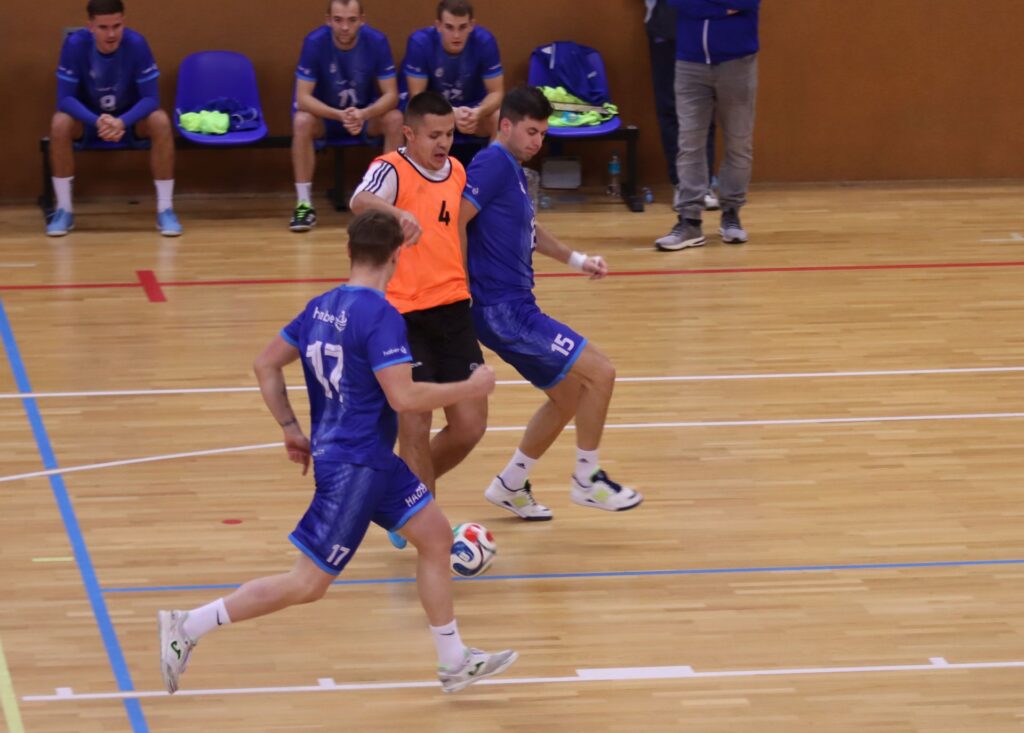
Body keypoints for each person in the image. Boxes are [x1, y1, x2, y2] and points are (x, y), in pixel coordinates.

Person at [158, 210, 517, 695]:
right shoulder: (382, 317)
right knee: (308, 583)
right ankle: (189, 625)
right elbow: (404, 398)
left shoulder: (319, 307)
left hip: (372, 460)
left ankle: (454, 660)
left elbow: (265, 364)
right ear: (397, 256)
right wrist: (470, 387)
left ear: (349, 251)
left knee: (435, 539)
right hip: (355, 467)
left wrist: (290, 428)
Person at [459, 87, 644, 521]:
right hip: (503, 311)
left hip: (515, 306)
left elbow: (531, 232)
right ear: (505, 125)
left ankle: (510, 484)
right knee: (600, 373)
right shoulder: (491, 163)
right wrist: (461, 287)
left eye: (542, 134)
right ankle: (587, 478)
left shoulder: (513, 171)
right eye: (531, 132)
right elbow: (454, 222)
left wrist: (578, 260)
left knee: (568, 396)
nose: (537, 142)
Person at [349, 92, 486, 549]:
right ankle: (427, 530)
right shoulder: (391, 168)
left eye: (449, 134)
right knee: (415, 424)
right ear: (409, 134)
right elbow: (359, 199)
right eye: (434, 135)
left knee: (470, 425)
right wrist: (397, 213)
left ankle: (401, 496)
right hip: (403, 314)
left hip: (453, 307)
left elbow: (454, 230)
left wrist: (465, 282)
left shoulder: (457, 170)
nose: (443, 143)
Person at [48, 0, 180, 237]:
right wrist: (98, 121)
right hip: (89, 120)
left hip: (129, 120)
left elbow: (151, 99)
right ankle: (64, 210)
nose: (111, 34)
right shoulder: (75, 44)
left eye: (116, 26)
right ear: (90, 26)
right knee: (60, 123)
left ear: (123, 22)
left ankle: (165, 209)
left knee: (160, 120)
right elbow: (65, 100)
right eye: (103, 27)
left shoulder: (137, 43)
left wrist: (122, 122)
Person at [290, 0, 404, 232]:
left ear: (362, 20)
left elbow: (391, 95)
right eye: (338, 20)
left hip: (364, 116)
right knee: (301, 121)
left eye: (352, 20)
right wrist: (338, 115)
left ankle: (386, 203)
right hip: (327, 117)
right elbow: (303, 98)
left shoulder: (377, 42)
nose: (344, 27)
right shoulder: (314, 42)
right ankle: (304, 204)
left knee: (394, 119)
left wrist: (364, 113)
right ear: (328, 20)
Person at [655, 0, 760, 252]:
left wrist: (704, 7)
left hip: (737, 62)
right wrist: (722, 10)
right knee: (689, 144)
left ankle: (731, 213)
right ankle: (689, 220)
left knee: (738, 142)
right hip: (689, 61)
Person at [643, 0, 719, 210]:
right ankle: (682, 184)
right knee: (670, 108)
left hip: (706, 27)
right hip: (664, 28)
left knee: (704, 108)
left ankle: (703, 184)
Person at [402, 0, 503, 139]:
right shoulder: (420, 42)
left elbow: (496, 92)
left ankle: (493, 155)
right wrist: (452, 112)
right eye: (449, 27)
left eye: (462, 27)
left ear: (471, 25)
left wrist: (478, 112)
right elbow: (417, 96)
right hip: (433, 112)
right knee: (412, 116)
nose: (456, 35)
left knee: (498, 117)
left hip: (472, 113)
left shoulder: (485, 41)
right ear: (438, 26)